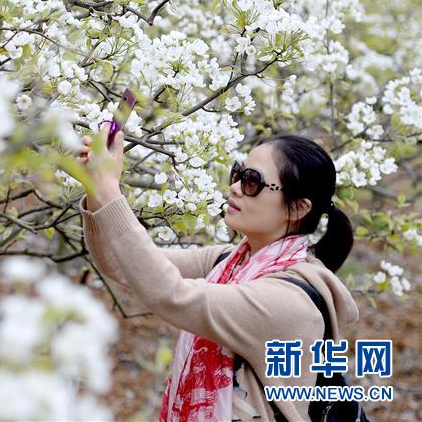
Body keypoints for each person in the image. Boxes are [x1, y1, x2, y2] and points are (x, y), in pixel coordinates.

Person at [77, 123, 359, 422]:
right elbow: (122, 264)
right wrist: (97, 192)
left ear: (297, 208)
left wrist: (111, 192)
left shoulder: (287, 301)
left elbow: (171, 294)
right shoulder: (229, 263)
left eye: (253, 182)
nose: (235, 187)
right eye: (238, 174)